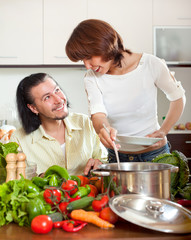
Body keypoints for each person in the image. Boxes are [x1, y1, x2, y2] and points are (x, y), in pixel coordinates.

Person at [65, 19, 186, 163]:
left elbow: (178, 97)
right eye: (82, 61)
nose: (87, 66)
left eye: (89, 57)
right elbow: (98, 115)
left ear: (105, 44)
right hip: (117, 157)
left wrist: (163, 130)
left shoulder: (151, 64)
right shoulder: (91, 78)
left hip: (155, 155)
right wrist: (104, 129)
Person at [10, 73, 108, 175]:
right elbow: (18, 181)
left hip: (89, 190)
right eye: (47, 97)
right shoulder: (18, 139)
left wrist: (100, 164)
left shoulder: (85, 122)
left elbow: (103, 159)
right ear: (33, 108)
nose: (59, 100)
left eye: (57, 90)